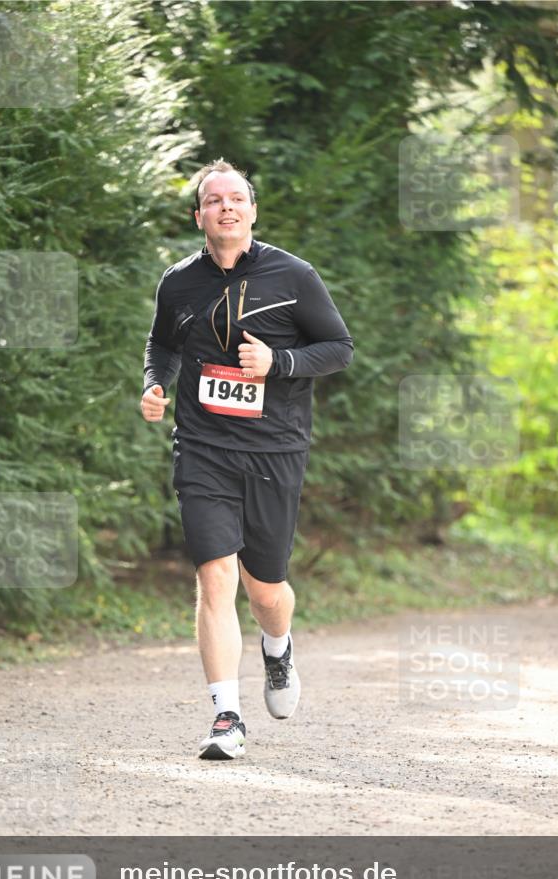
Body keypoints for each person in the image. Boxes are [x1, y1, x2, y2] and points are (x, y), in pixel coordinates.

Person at [141, 158, 353, 760]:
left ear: (252, 211)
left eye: (237, 199)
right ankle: (226, 716)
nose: (226, 208)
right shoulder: (178, 281)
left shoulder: (293, 276)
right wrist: (157, 384)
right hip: (203, 447)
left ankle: (278, 647)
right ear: (199, 215)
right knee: (215, 576)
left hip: (274, 448)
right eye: (214, 200)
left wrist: (279, 364)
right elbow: (162, 341)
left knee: (266, 589)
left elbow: (339, 348)